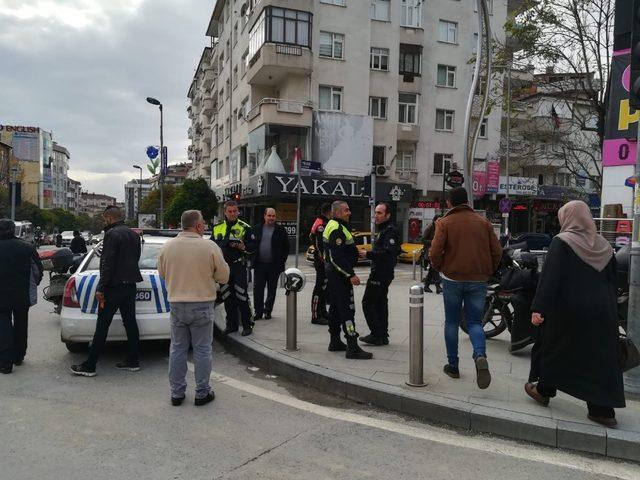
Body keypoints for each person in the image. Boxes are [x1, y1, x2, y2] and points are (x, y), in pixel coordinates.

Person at [524, 200, 625, 427]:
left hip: (569, 312)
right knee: (599, 359)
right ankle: (602, 410)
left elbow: (550, 279)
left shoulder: (562, 242)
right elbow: (613, 281)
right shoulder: (605, 247)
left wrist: (538, 308)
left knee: (553, 347)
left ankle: (543, 389)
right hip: (603, 312)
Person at [429, 187, 502, 389]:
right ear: (467, 201)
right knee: (475, 322)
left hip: (452, 278)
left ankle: (453, 366)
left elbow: (435, 252)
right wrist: (487, 270)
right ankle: (480, 355)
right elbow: (497, 252)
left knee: (451, 321)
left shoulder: (444, 222)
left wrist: (440, 267)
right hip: (478, 279)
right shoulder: (483, 223)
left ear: (450, 203)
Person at [158, 210, 230, 407]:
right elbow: (223, 276)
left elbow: (162, 272)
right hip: (202, 304)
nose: (205, 226)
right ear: (198, 226)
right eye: (203, 223)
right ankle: (202, 393)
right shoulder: (209, 246)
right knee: (202, 349)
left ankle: (177, 393)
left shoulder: (167, 247)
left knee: (177, 348)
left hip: (177, 304)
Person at [71, 206, 143, 377]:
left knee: (102, 326)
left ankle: (90, 365)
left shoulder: (111, 234)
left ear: (110, 219)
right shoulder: (134, 234)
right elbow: (136, 258)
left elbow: (107, 264)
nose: (105, 223)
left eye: (105, 220)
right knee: (131, 323)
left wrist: (101, 288)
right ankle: (133, 361)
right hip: (130, 285)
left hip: (113, 287)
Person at [324, 201, 372, 360]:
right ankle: (352, 346)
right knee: (347, 311)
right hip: (340, 276)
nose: (349, 212)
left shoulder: (336, 225)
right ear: (337, 212)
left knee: (336, 310)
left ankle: (335, 341)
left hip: (335, 275)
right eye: (346, 210)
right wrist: (350, 275)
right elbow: (336, 257)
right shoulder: (337, 229)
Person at [0, 219, 43, 374]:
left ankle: (5, 362)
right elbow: (38, 269)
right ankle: (19, 356)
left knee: (3, 326)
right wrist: (34, 285)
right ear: (13, 230)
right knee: (21, 324)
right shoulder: (26, 247)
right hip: (22, 293)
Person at [212, 200, 256, 336]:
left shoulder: (245, 227)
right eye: (230, 211)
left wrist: (244, 247)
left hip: (238, 266)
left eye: (235, 211)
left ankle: (247, 325)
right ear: (225, 212)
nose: (232, 214)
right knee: (226, 296)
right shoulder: (217, 227)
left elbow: (253, 248)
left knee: (241, 295)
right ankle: (232, 325)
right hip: (222, 267)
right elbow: (211, 246)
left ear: (238, 212)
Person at [360, 202, 400, 346]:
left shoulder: (389, 230)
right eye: (375, 212)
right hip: (383, 272)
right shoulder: (384, 229)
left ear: (387, 215)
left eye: (379, 213)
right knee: (380, 303)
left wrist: (368, 254)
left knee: (367, 303)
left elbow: (389, 253)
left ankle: (376, 334)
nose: (375, 215)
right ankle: (382, 335)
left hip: (380, 273)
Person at [252, 207, 289, 320]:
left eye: (273, 216)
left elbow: (286, 248)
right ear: (264, 216)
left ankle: (268, 311)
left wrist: (281, 261)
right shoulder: (257, 228)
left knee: (272, 290)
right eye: (269, 215)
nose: (271, 218)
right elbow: (252, 245)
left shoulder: (281, 230)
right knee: (258, 289)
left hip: (274, 266)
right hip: (259, 265)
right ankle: (258, 312)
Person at [309, 203, 332, 325]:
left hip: (323, 260)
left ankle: (323, 312)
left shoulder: (321, 221)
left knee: (324, 287)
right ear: (329, 212)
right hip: (322, 260)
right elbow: (319, 242)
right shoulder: (321, 224)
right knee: (319, 288)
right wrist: (323, 256)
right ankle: (316, 315)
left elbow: (310, 236)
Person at [421, 215, 442, 294]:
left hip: (435, 251)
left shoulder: (439, 228)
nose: (439, 222)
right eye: (438, 220)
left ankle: (426, 286)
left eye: (440, 220)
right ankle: (438, 286)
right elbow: (423, 239)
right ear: (434, 220)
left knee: (432, 270)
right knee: (434, 268)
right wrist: (433, 242)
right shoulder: (430, 227)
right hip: (429, 251)